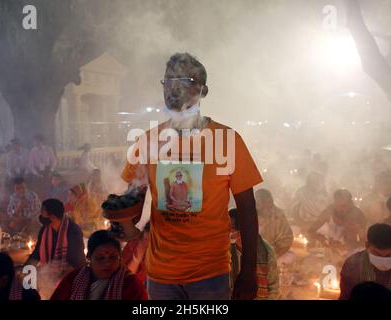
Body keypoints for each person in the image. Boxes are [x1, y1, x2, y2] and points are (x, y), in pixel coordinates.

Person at [121, 53, 263, 300]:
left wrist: (249, 271)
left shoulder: (227, 141)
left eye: (184, 80)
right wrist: (121, 219)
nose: (173, 87)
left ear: (203, 90)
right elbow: (131, 201)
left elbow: (247, 209)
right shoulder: (147, 141)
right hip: (161, 274)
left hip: (210, 274)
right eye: (168, 80)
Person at [51, 230, 148, 300]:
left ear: (120, 257)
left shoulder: (131, 284)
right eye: (100, 258)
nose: (107, 263)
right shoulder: (74, 279)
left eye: (113, 257)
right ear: (89, 257)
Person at [26, 198, 85, 292]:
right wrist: (26, 269)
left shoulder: (73, 231)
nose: (40, 215)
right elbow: (37, 253)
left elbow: (75, 262)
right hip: (51, 273)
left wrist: (54, 281)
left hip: (72, 276)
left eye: (42, 212)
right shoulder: (45, 229)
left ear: (52, 217)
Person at [339, 224, 391, 300]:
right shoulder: (352, 266)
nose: (383, 259)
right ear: (367, 246)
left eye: (389, 255)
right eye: (377, 254)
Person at [228, 208, 279, 300]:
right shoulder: (224, 249)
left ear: (244, 231)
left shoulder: (266, 251)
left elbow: (273, 288)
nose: (229, 233)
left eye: (233, 229)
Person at [254, 189, 293, 257]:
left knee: (289, 258)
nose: (268, 206)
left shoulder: (279, 215)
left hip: (273, 253)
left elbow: (287, 238)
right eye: (262, 203)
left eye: (270, 202)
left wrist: (273, 251)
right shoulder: (249, 215)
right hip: (252, 253)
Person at [122, 222, 150, 287]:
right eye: (146, 240)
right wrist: (137, 259)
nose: (147, 245)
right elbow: (125, 279)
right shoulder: (133, 244)